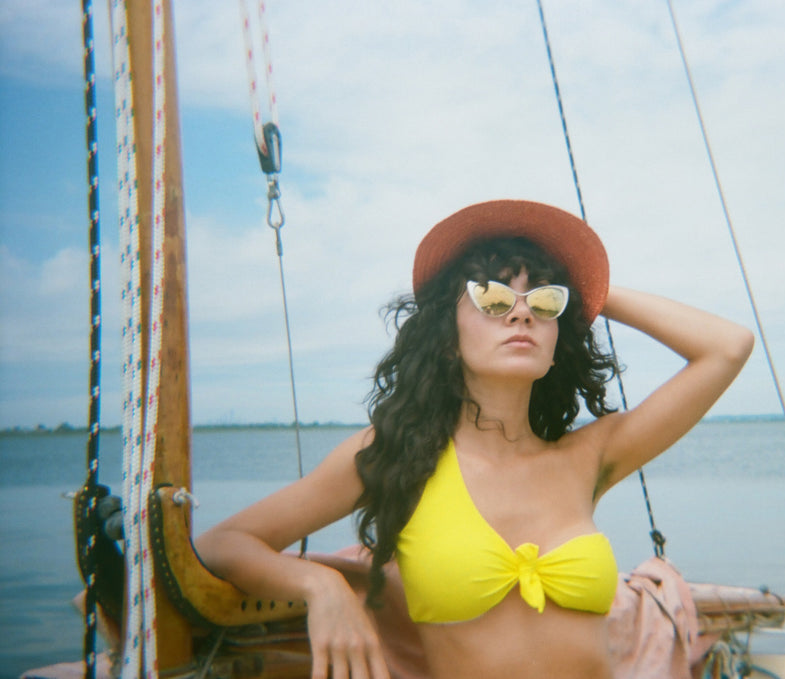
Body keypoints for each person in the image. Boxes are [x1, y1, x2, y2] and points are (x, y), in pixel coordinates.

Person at [195, 199, 755, 679]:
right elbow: (225, 543)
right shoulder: (394, 452)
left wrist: (589, 291)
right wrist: (322, 589)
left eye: (542, 303)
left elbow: (727, 347)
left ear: (560, 336)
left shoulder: (590, 456)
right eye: (492, 300)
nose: (520, 314)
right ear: (446, 334)